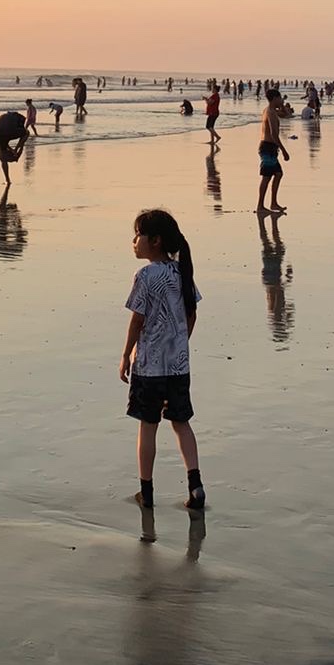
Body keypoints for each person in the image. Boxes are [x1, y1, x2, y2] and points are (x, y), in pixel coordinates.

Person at [119, 209, 204, 512]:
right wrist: (181, 342)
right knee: (182, 423)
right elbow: (191, 314)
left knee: (148, 426)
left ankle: (147, 491)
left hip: (150, 367)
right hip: (178, 366)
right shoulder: (182, 272)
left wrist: (126, 355)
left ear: (154, 241)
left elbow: (137, 320)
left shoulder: (146, 275)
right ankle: (195, 485)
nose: (134, 241)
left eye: (138, 235)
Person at [257, 88, 291, 214]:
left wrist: (282, 105)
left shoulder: (272, 111)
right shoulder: (270, 112)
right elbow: (273, 134)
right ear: (274, 98)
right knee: (266, 177)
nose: (281, 99)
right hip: (267, 147)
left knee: (278, 174)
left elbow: (287, 115)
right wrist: (284, 150)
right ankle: (260, 206)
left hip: (270, 147)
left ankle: (273, 203)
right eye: (280, 98)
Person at [0, 110, 28, 197]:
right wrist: (16, 149)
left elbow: (5, 140)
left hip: (0, 131)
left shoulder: (2, 144)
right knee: (26, 133)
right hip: (1, 129)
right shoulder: (2, 149)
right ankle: (7, 179)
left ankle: (7, 180)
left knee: (24, 133)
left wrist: (14, 150)